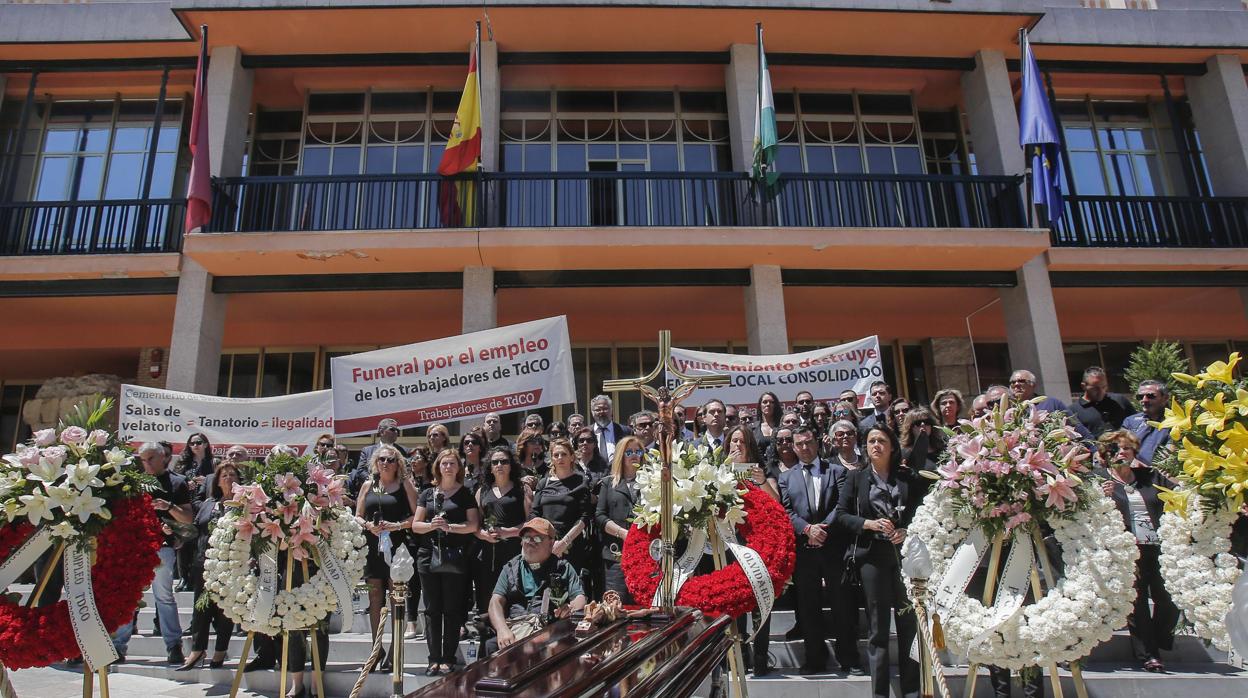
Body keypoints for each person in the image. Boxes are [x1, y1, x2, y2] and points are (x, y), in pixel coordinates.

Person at [835, 425, 921, 698]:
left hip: (905, 555)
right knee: (877, 627)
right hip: (872, 558)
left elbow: (923, 511)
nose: (876, 445)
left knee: (908, 623)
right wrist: (868, 523)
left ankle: (911, 690)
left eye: (881, 440)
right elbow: (841, 515)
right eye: (871, 441)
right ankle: (880, 693)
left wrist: (907, 530)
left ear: (892, 446)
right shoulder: (857, 478)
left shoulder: (907, 477)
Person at [780, 426, 861, 676]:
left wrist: (821, 530)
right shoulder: (786, 477)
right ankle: (815, 660)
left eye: (808, 442)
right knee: (808, 607)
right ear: (793, 447)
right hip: (804, 551)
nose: (804, 448)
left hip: (833, 547)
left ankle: (849, 658)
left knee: (841, 605)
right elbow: (787, 512)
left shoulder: (836, 471)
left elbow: (841, 505)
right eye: (799, 444)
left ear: (817, 443)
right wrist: (807, 530)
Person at [1097, 429, 1177, 673]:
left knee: (1168, 598)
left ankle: (1161, 638)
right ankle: (1149, 654)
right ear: (1105, 455)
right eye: (1114, 450)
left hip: (1159, 546)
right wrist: (1101, 497)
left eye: (1125, 449)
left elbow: (1177, 493)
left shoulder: (1151, 476)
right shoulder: (1100, 480)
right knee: (1138, 601)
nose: (1120, 453)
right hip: (1126, 550)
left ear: (1134, 452)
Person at [411, 449, 480, 676]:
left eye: (452, 463)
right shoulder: (427, 494)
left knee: (451, 609)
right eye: (444, 463)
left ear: (458, 468)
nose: (448, 467)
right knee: (432, 609)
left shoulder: (466, 493)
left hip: (454, 555)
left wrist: (450, 527)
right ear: (438, 467)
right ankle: (433, 658)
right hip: (427, 555)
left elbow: (473, 526)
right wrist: (434, 525)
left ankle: (448, 658)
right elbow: (415, 525)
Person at [355, 444, 419, 672]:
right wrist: (368, 526)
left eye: (390, 459)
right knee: (374, 599)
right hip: (373, 546)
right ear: (375, 462)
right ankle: (375, 650)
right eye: (382, 459)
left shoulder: (405, 485)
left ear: (398, 463)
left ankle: (395, 649)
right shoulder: (367, 485)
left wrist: (396, 525)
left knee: (396, 598)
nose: (385, 463)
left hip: (398, 547)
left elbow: (416, 516)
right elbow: (358, 516)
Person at [486, 518, 587, 654]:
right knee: (490, 646)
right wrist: (502, 629)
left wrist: (570, 608)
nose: (531, 542)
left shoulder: (563, 568)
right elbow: (495, 602)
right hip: (514, 628)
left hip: (548, 629)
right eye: (527, 538)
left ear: (551, 543)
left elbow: (579, 597)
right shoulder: (510, 568)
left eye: (538, 539)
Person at [725, 425, 779, 675]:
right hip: (731, 545)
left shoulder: (761, 471)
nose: (736, 446)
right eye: (733, 441)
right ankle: (739, 656)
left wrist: (760, 482)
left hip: (758, 547)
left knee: (760, 603)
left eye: (741, 442)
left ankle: (760, 657)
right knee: (736, 604)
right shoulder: (720, 473)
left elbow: (776, 502)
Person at [178, 461, 239, 671]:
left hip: (232, 564)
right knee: (201, 608)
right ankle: (197, 650)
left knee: (224, 610)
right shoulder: (208, 503)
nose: (228, 479)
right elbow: (196, 529)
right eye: (224, 475)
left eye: (232, 475)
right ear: (217, 481)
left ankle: (220, 650)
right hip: (204, 562)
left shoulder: (245, 504)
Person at [137, 442, 193, 664]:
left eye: (151, 458)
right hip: (136, 547)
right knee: (130, 596)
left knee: (163, 596)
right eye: (143, 459)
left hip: (163, 547)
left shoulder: (177, 482)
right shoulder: (136, 483)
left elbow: (188, 518)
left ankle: (173, 645)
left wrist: (168, 507)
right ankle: (118, 644)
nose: (147, 463)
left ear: (163, 458)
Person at [531, 438, 593, 599]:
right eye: (556, 455)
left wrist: (564, 542)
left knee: (571, 595)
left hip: (571, 546)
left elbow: (585, 517)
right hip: (545, 546)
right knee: (545, 593)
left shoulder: (581, 481)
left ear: (572, 457)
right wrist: (545, 542)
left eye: (564, 454)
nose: (560, 458)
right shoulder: (543, 483)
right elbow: (534, 514)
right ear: (551, 458)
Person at [475, 447, 531, 620]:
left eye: (504, 461)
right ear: (490, 467)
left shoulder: (523, 489)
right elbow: (475, 524)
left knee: (513, 594)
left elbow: (531, 522)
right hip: (488, 552)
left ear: (511, 465)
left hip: (515, 550)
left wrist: (509, 532)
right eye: (495, 462)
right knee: (488, 596)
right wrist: (483, 534)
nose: (499, 465)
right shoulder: (482, 491)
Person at [595, 435, 644, 604]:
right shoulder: (608, 483)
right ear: (620, 456)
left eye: (638, 451)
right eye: (628, 451)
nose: (634, 455)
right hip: (616, 555)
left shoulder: (650, 482)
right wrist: (622, 533)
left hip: (645, 555)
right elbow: (600, 516)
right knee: (617, 605)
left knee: (644, 605)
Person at [1070, 366, 1135, 437]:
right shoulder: (1073, 411)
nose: (1101, 392)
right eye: (1095, 388)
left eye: (1104, 387)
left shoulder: (1120, 401)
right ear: (1083, 386)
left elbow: (1136, 424)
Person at [1123, 379, 1172, 466]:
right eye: (1140, 397)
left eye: (1151, 396)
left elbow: (1169, 455)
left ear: (1165, 398)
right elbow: (1122, 448)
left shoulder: (1173, 423)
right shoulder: (1130, 421)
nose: (1144, 400)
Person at [590, 394, 631, 462]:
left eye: (605, 409)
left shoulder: (625, 431)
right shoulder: (586, 432)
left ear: (611, 410)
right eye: (598, 410)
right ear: (592, 412)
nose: (602, 412)